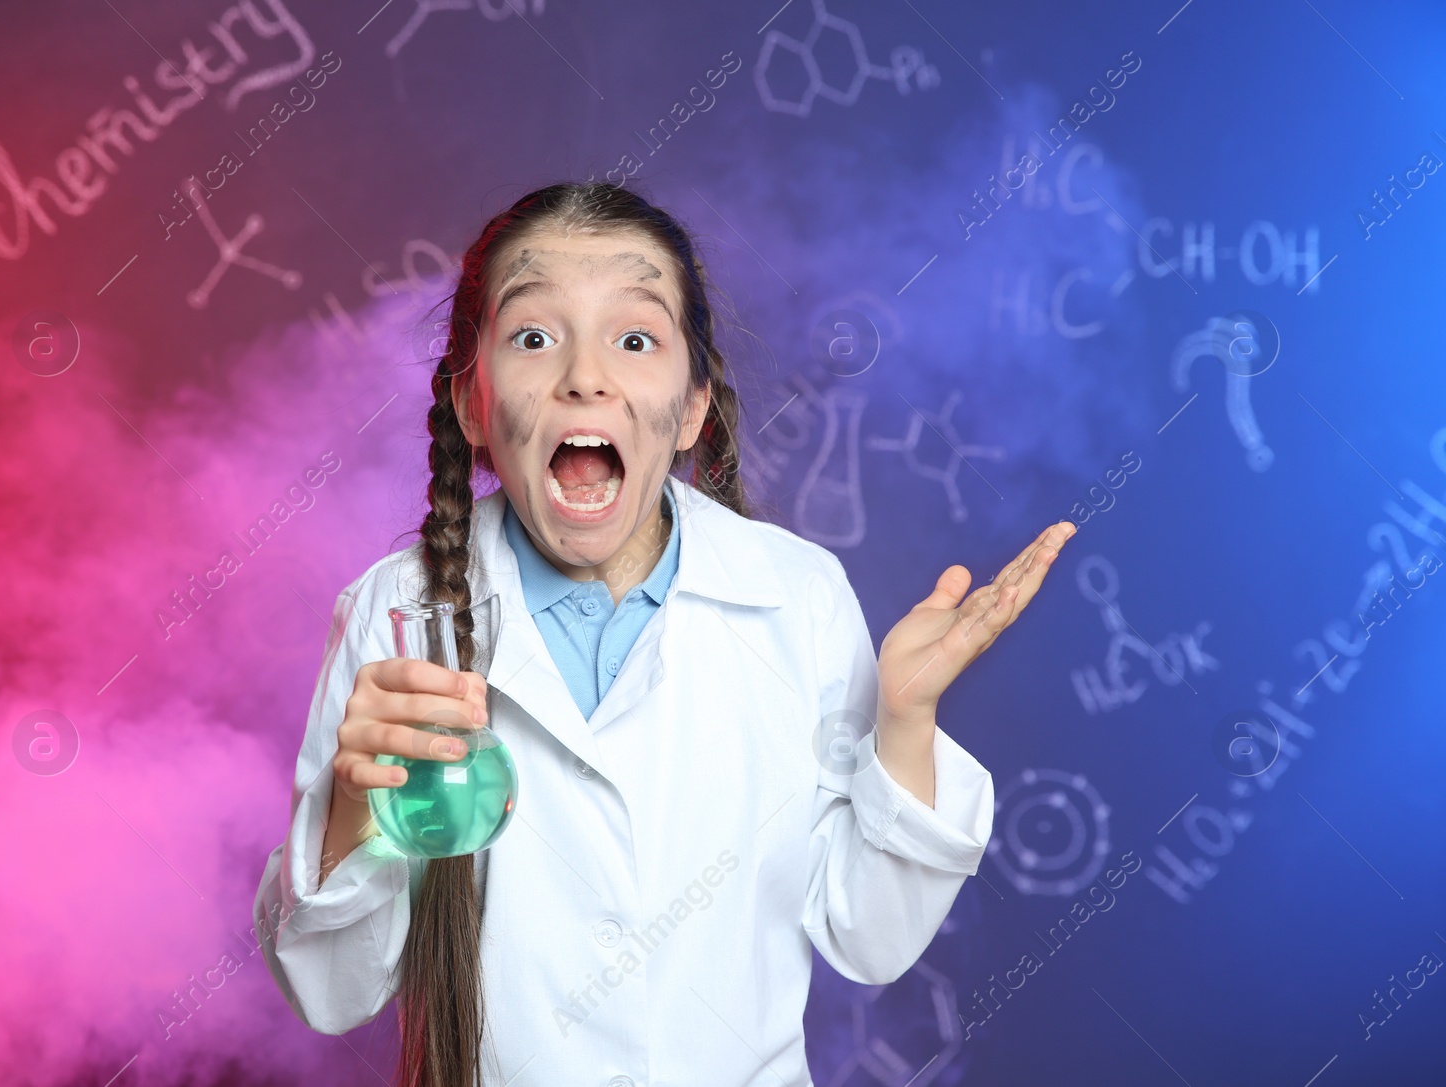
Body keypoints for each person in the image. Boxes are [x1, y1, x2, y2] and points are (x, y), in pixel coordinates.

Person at [252, 181, 1076, 1087]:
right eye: (533, 336)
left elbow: (869, 938)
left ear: (690, 410)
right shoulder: (397, 615)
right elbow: (331, 995)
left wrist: (907, 725)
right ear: (473, 407)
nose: (585, 374)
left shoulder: (796, 598)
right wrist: (352, 807)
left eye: (635, 337)